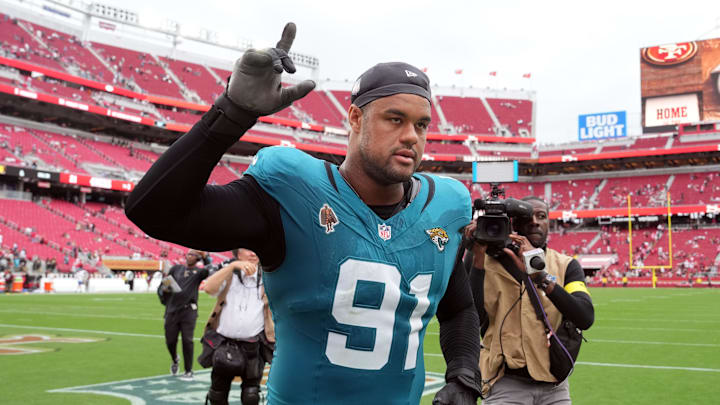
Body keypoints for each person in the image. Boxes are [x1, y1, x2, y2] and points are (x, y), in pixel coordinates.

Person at [126, 23, 481, 405]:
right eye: (395, 119)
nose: (412, 136)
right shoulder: (293, 192)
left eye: (421, 125)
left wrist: (463, 374)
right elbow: (152, 211)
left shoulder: (442, 207)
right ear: (356, 119)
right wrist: (232, 114)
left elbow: (458, 307)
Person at [465, 196, 594, 404]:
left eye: (541, 216)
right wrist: (477, 257)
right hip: (504, 383)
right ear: (513, 223)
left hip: (555, 386)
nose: (535, 221)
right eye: (528, 216)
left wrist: (541, 278)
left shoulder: (566, 265)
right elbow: (470, 320)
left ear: (549, 223)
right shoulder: (482, 260)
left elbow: (585, 316)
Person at [201, 249, 275, 405]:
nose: (253, 253)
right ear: (237, 252)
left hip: (253, 345)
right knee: (217, 393)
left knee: (251, 395)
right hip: (225, 343)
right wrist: (231, 267)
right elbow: (208, 288)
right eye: (248, 249)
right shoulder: (228, 275)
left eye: (256, 249)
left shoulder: (268, 278)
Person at [158, 249, 211, 381]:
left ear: (197, 258)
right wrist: (164, 292)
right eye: (188, 254)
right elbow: (165, 283)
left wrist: (205, 257)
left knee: (187, 340)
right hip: (172, 310)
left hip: (189, 311)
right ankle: (175, 358)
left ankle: (188, 370)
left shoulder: (199, 273)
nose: (189, 256)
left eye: (193, 255)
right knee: (170, 340)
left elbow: (210, 269)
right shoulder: (176, 269)